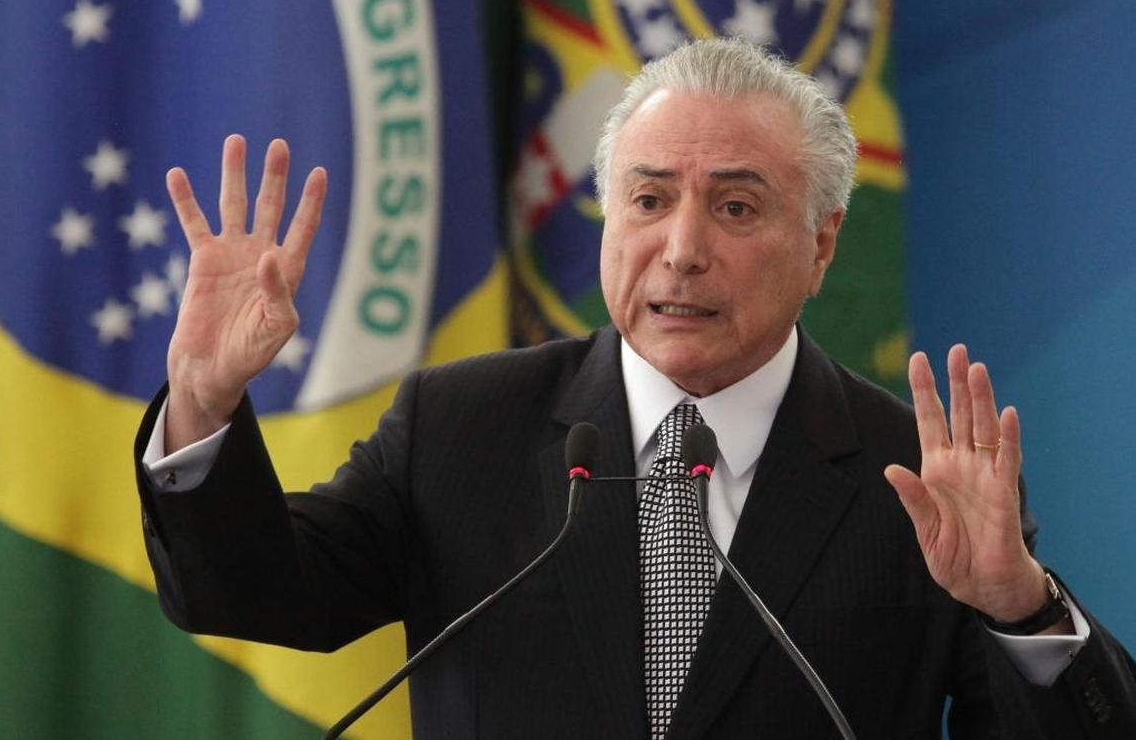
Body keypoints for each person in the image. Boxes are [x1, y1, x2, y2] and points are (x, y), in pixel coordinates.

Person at [136, 38, 1136, 738]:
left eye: (737, 206)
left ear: (822, 242)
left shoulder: (913, 479)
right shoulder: (461, 427)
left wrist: (1019, 607)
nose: (683, 250)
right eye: (649, 200)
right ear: (606, 216)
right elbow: (249, 591)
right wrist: (202, 406)